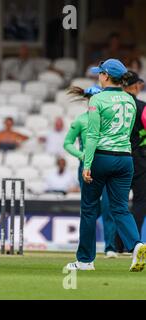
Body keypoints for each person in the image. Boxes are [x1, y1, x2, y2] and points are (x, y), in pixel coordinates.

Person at [66, 59, 146, 272]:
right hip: (125, 159)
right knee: (120, 208)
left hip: (102, 157)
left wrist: (87, 163)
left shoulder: (98, 99)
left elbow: (92, 135)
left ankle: (84, 260)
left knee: (90, 209)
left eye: (100, 73)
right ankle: (136, 244)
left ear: (106, 76)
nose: (98, 76)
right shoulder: (130, 100)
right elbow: (129, 132)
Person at [64, 85, 118, 258]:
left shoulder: (108, 120)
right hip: (87, 167)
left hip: (104, 163)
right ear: (88, 100)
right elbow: (67, 143)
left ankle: (110, 247)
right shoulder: (80, 120)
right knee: (89, 208)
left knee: (108, 205)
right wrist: (82, 156)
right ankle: (87, 249)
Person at [124, 72, 146, 240]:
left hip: (117, 155)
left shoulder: (116, 105)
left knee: (118, 204)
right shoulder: (142, 106)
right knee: (139, 201)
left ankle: (116, 244)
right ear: (137, 85)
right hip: (139, 159)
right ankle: (132, 243)